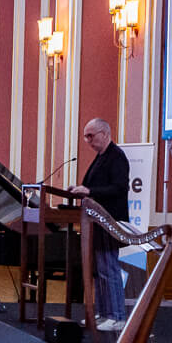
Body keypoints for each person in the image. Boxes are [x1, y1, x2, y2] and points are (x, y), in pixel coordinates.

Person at [70, 117, 130, 330]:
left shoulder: (116, 156)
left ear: (105, 133)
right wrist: (80, 189)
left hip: (110, 221)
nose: (87, 140)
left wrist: (90, 191)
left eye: (91, 135)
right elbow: (92, 185)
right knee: (100, 271)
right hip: (96, 223)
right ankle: (104, 314)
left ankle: (117, 317)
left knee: (109, 270)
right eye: (85, 136)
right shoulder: (100, 157)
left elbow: (120, 188)